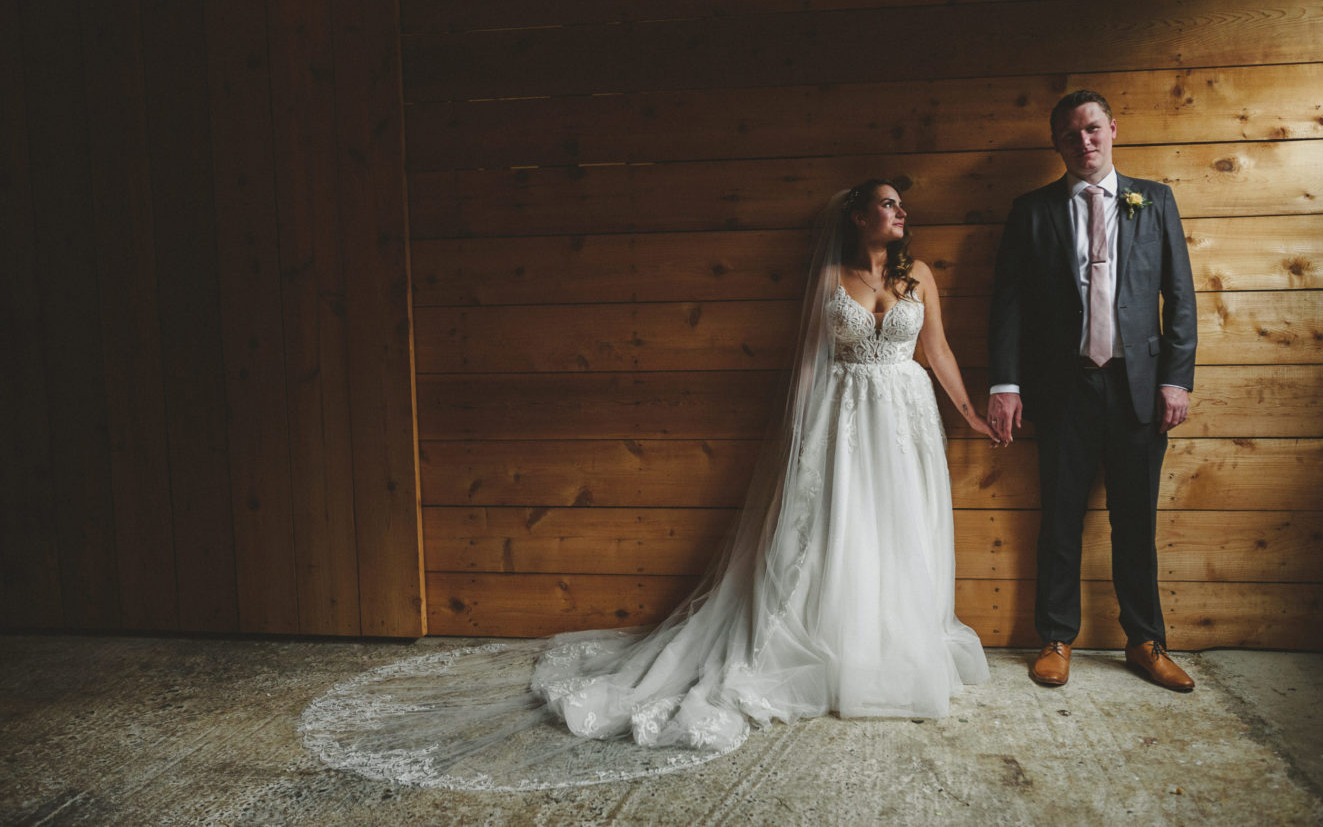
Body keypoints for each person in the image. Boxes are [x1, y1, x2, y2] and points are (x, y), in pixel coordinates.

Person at [302, 182, 994, 790]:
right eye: (887, 203)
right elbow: (810, 367)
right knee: (841, 531)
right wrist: (797, 441)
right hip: (842, 420)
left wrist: (970, 412)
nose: (900, 212)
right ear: (857, 215)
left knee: (897, 530)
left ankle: (893, 649)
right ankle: (837, 649)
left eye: (903, 205)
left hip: (903, 419)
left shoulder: (919, 276)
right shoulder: (830, 279)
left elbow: (937, 351)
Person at [986, 90, 1198, 692]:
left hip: (1138, 386)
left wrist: (1175, 378)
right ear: (1058, 144)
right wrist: (1005, 383)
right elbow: (1009, 307)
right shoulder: (1031, 211)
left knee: (1136, 519)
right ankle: (1056, 637)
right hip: (1063, 387)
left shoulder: (1154, 200)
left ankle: (1145, 641)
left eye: (1094, 128)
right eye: (1072, 134)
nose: (1085, 141)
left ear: (1113, 129)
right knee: (1060, 517)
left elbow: (1179, 297)